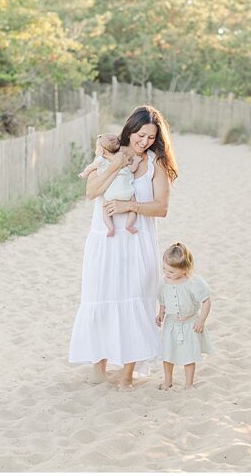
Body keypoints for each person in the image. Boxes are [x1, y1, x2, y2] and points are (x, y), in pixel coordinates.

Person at [68, 105, 180, 390]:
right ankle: (99, 366)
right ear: (130, 130)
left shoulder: (157, 165)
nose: (144, 142)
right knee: (100, 296)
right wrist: (117, 163)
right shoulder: (107, 155)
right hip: (104, 242)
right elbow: (92, 192)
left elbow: (162, 207)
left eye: (151, 138)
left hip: (137, 242)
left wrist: (130, 205)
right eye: (140, 135)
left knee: (134, 301)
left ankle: (128, 372)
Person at [156, 242, 214, 391]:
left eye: (171, 271)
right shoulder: (164, 282)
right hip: (171, 323)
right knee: (167, 354)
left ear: (184, 269)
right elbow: (163, 299)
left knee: (189, 355)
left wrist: (201, 320)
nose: (167, 273)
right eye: (165, 269)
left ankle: (188, 384)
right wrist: (161, 312)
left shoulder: (193, 282)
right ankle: (168, 380)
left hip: (190, 323)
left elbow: (206, 300)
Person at [78, 133, 142, 236]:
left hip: (111, 195)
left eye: (96, 149)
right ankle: (129, 225)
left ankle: (110, 228)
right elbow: (133, 169)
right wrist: (137, 162)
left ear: (103, 151)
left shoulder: (101, 160)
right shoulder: (123, 158)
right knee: (133, 208)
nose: (95, 151)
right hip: (127, 193)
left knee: (104, 210)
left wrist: (84, 173)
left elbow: (90, 167)